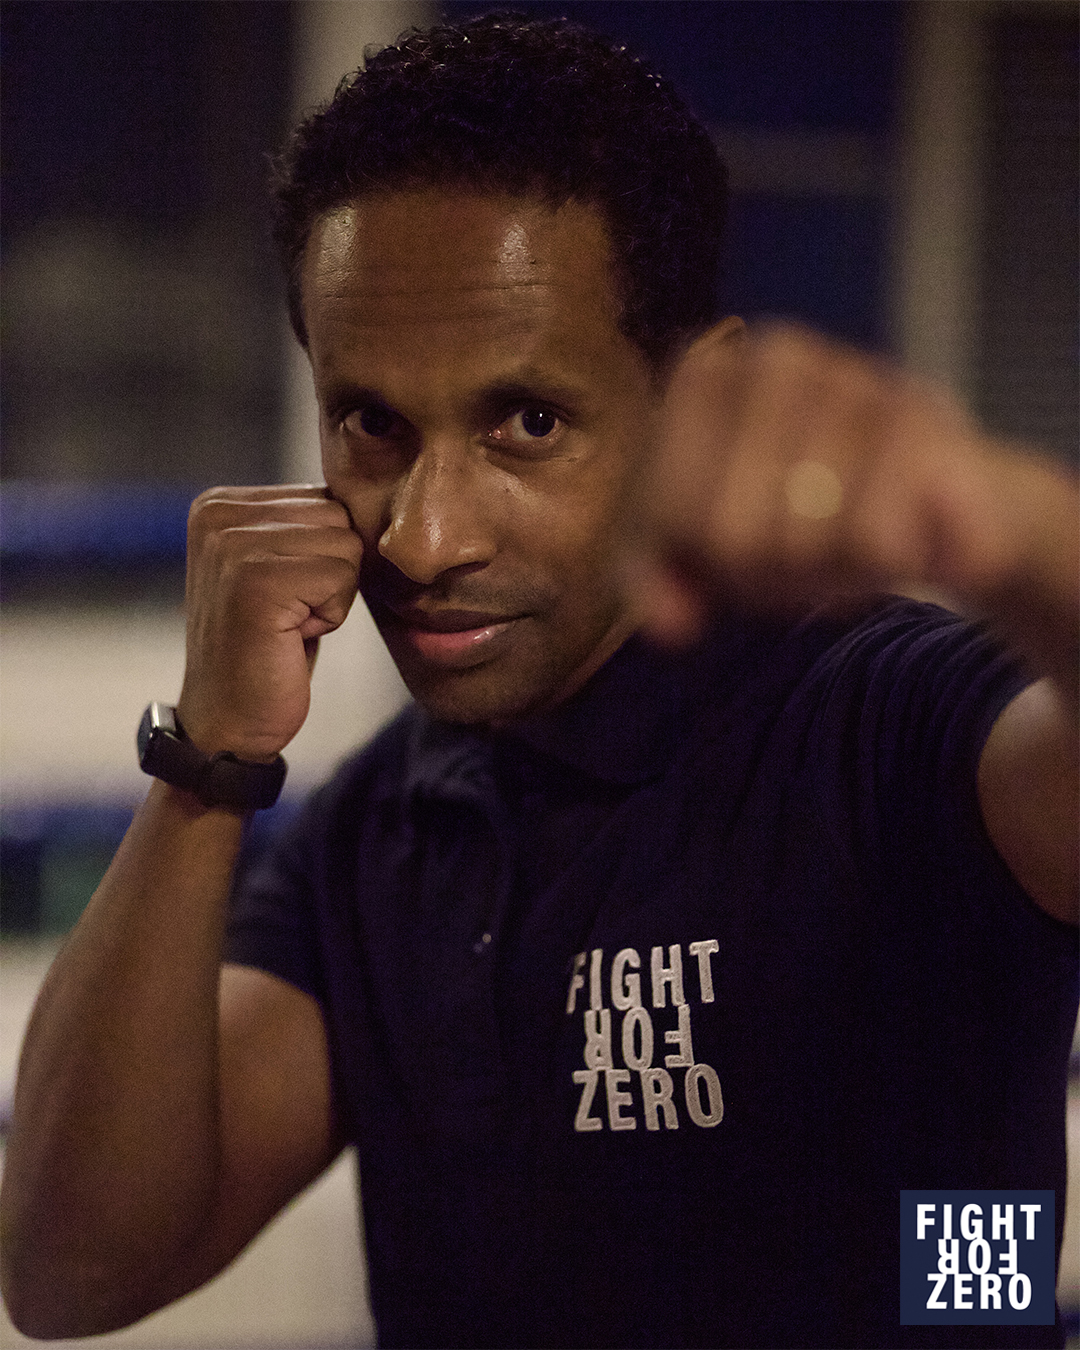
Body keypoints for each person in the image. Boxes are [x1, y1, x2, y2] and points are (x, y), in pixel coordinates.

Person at [2, 12, 1076, 1349]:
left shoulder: (890, 719)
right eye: (372, 423)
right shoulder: (373, 835)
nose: (425, 536)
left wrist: (1025, 533)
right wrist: (205, 763)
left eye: (529, 421)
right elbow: (67, 1271)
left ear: (690, 394)